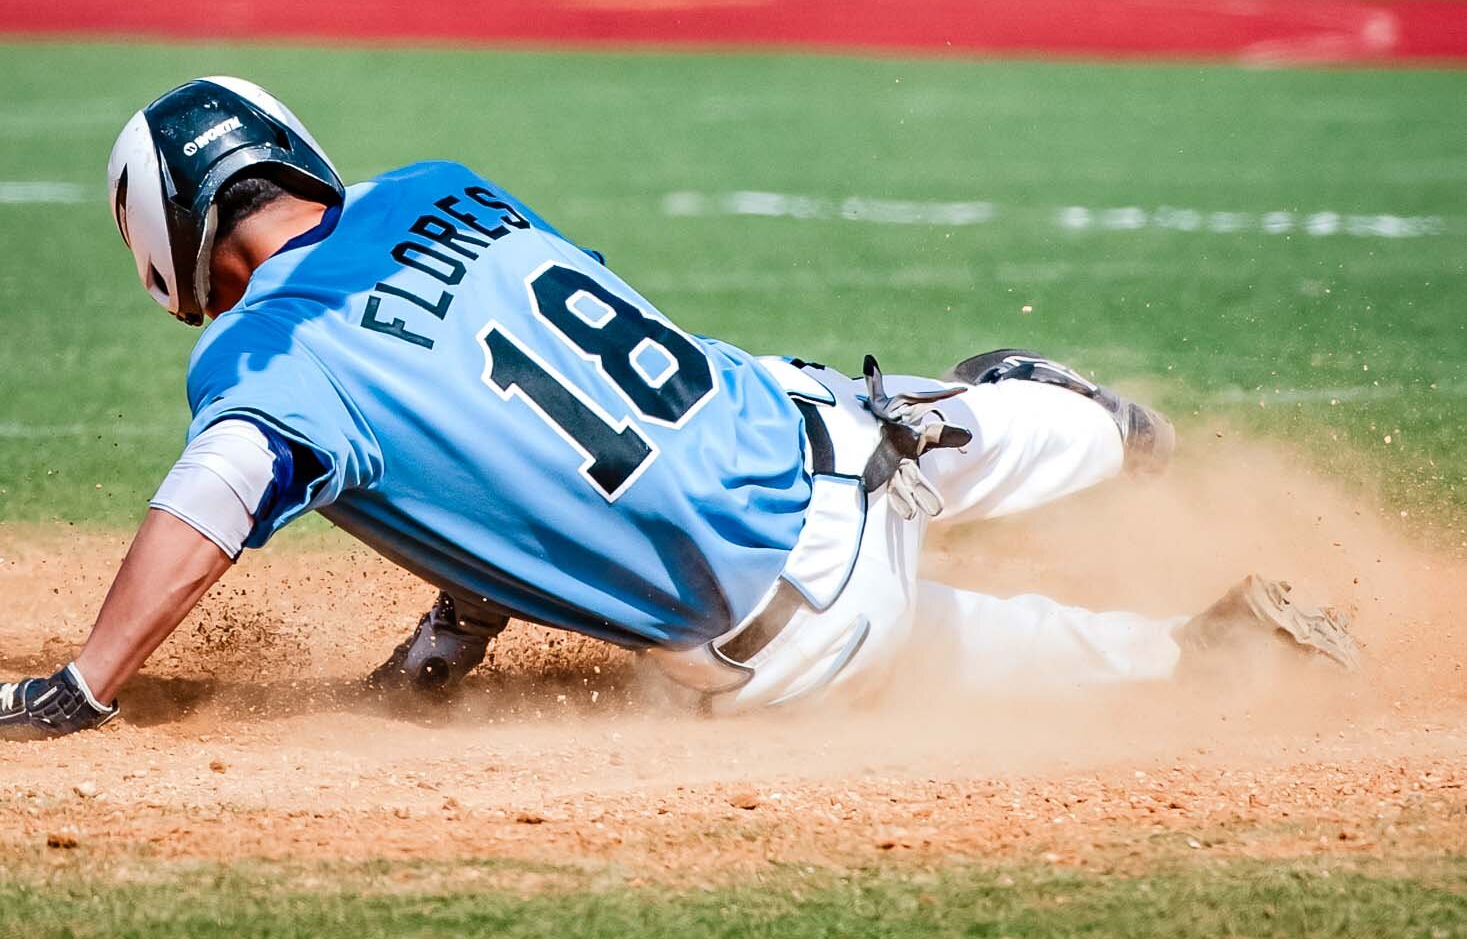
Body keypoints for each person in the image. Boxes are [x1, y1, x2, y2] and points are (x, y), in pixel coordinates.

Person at [0, 76, 1356, 739]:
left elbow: (215, 496)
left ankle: (1199, 656)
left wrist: (82, 685)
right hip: (836, 451)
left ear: (169, 245)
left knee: (918, 649)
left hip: (796, 643)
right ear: (290, 151)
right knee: (845, 413)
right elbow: (508, 392)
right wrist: (446, 640)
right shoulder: (438, 187)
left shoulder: (264, 367)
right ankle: (1077, 432)